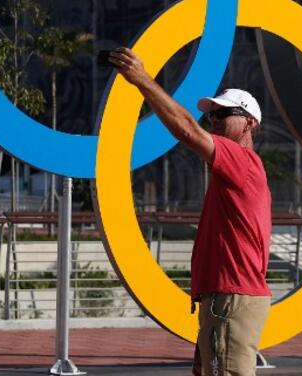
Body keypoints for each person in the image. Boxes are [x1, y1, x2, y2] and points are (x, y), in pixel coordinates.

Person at [109, 47, 272, 376]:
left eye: (224, 114)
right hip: (224, 299)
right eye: (212, 114)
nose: (213, 120)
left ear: (249, 123)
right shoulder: (236, 171)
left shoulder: (241, 162)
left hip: (232, 298)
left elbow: (186, 130)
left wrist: (142, 81)